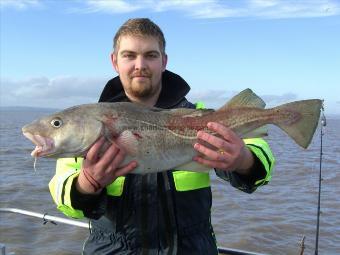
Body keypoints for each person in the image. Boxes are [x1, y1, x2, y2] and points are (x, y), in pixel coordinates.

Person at [49, 18, 275, 255]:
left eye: (150, 55)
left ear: (164, 61)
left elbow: (261, 162)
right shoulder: (89, 123)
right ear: (114, 61)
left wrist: (244, 160)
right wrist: (87, 184)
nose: (140, 64)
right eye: (129, 55)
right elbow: (65, 200)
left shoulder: (200, 115)